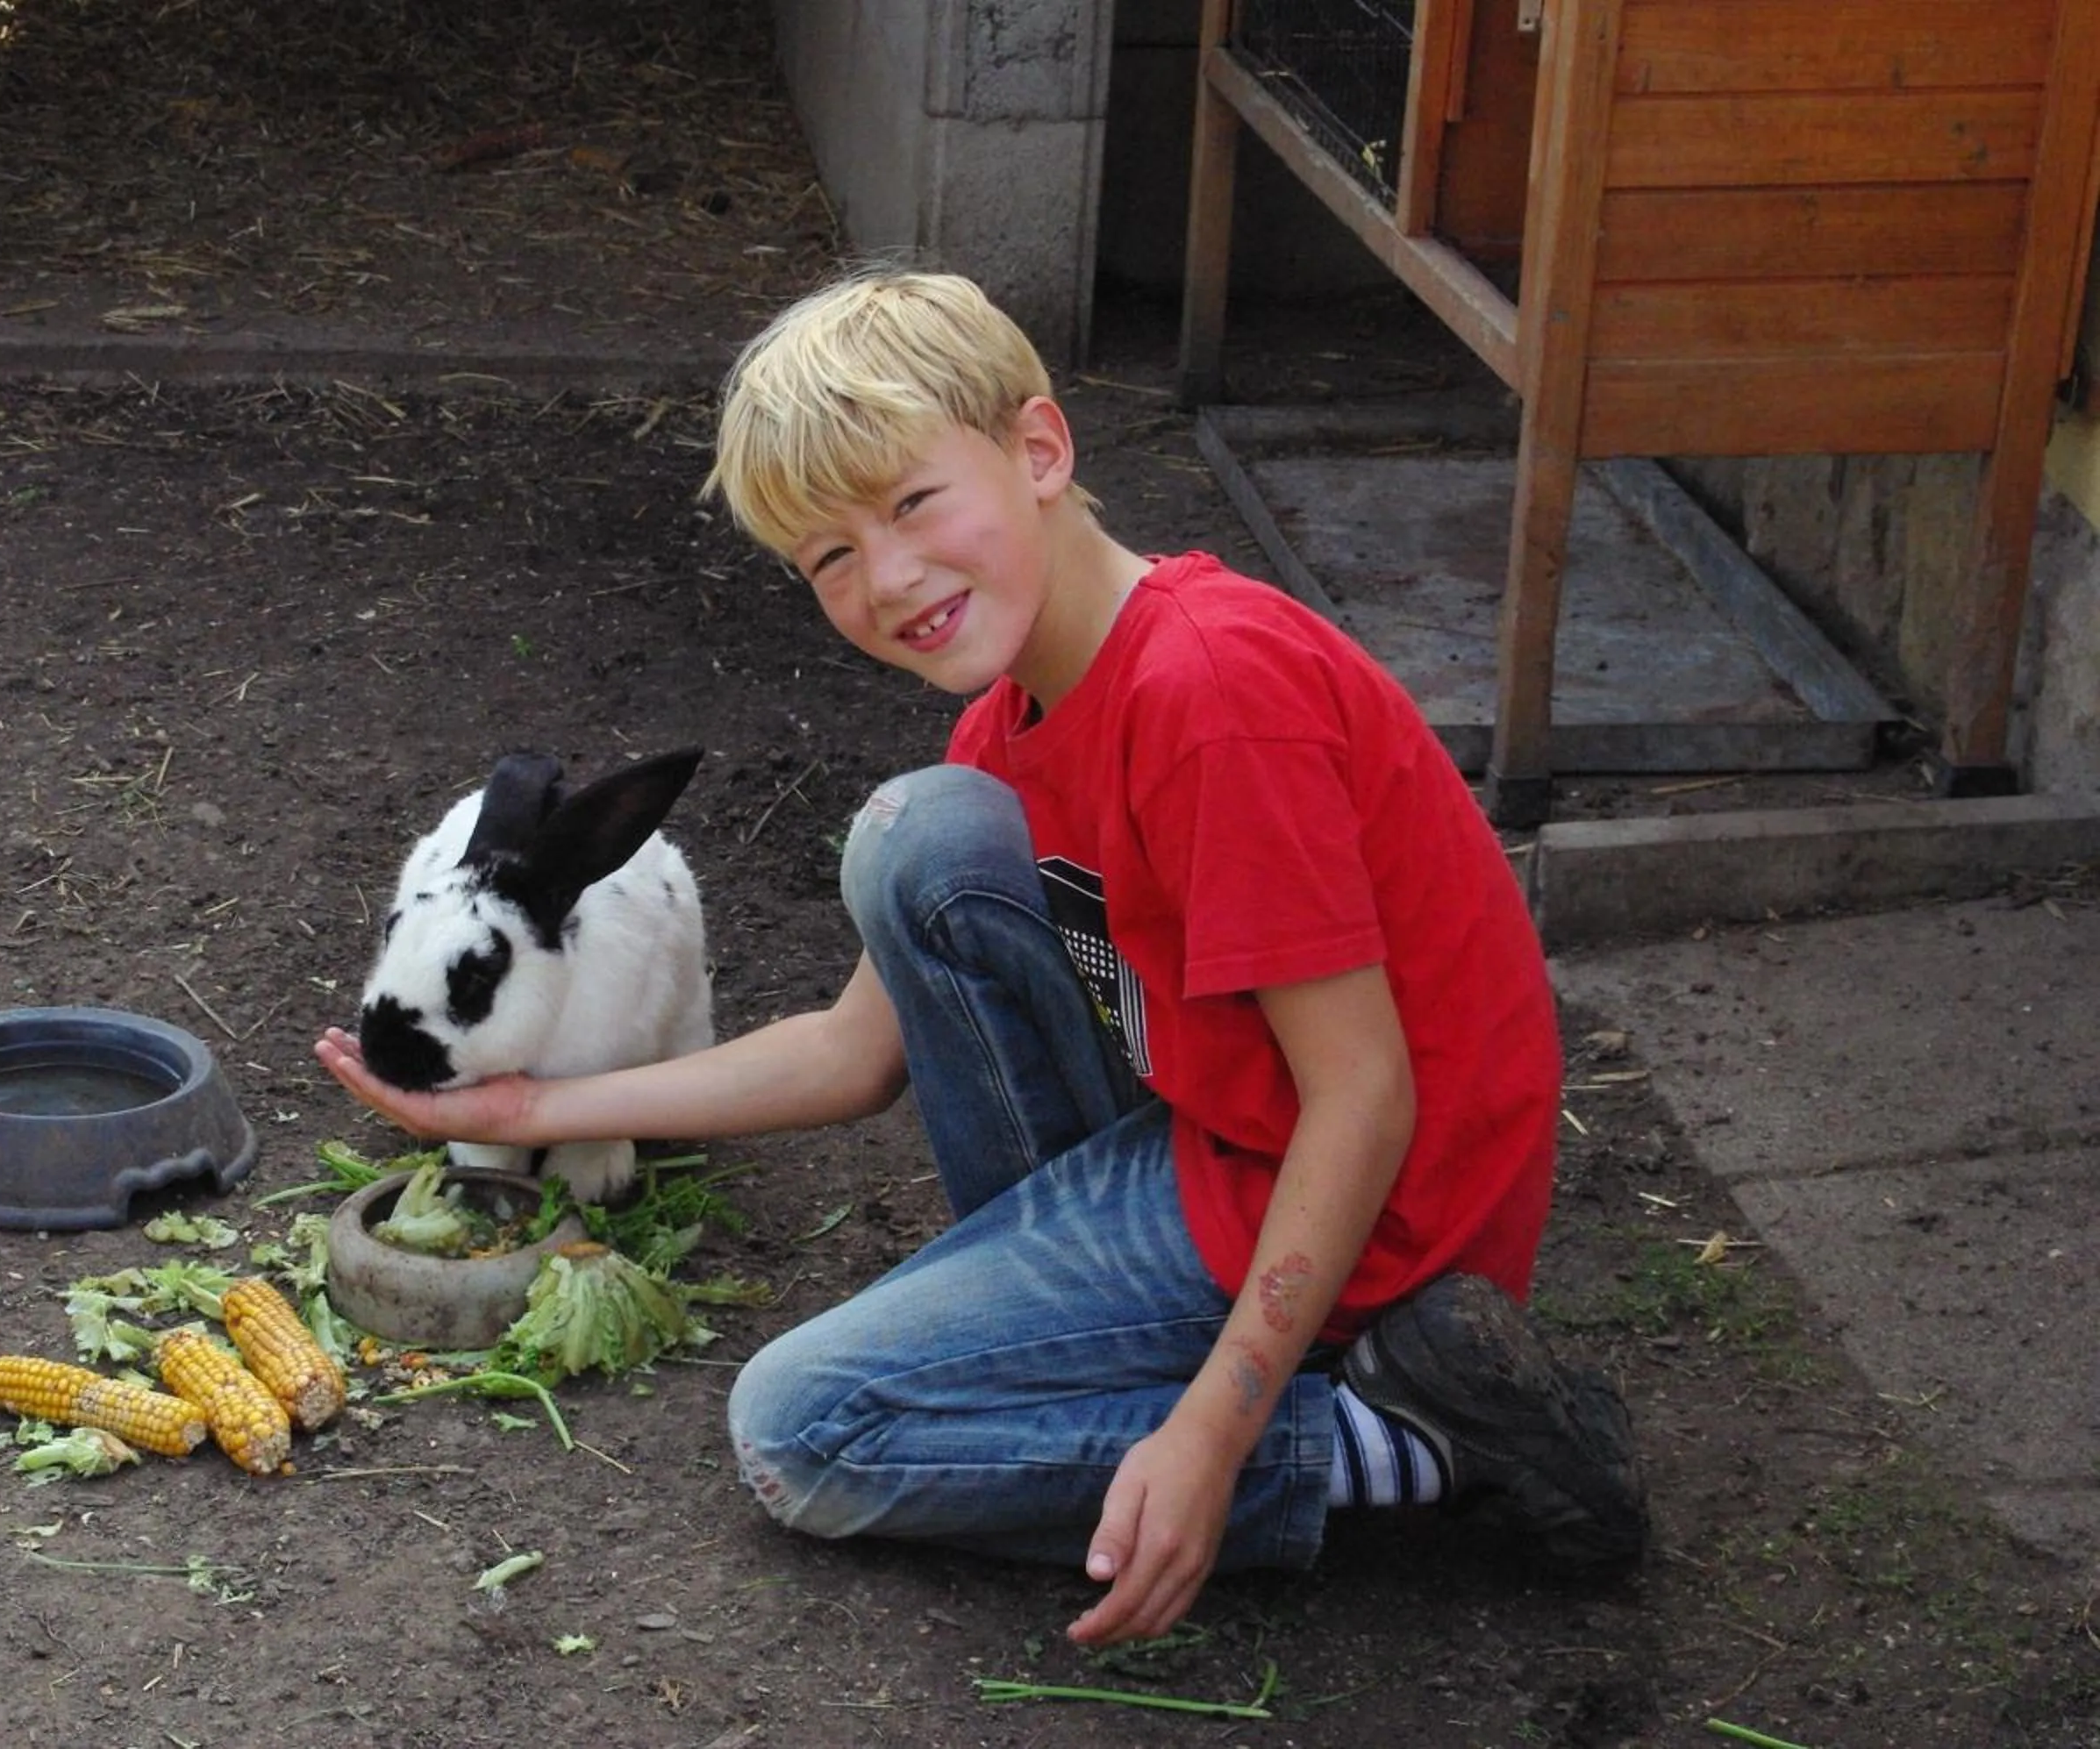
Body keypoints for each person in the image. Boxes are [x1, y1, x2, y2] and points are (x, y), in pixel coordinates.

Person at [316, 267, 1646, 1645]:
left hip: (1388, 1217)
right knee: (926, 835)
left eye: (910, 503)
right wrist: (524, 1109)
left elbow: (1364, 1096)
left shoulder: (1206, 692)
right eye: (830, 556)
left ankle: (1406, 1436)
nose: (887, 578)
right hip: (1227, 1139)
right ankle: (1127, 1361)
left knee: (803, 1429)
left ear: (1041, 450)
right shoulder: (1012, 718)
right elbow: (851, 1051)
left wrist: (1213, 1432)